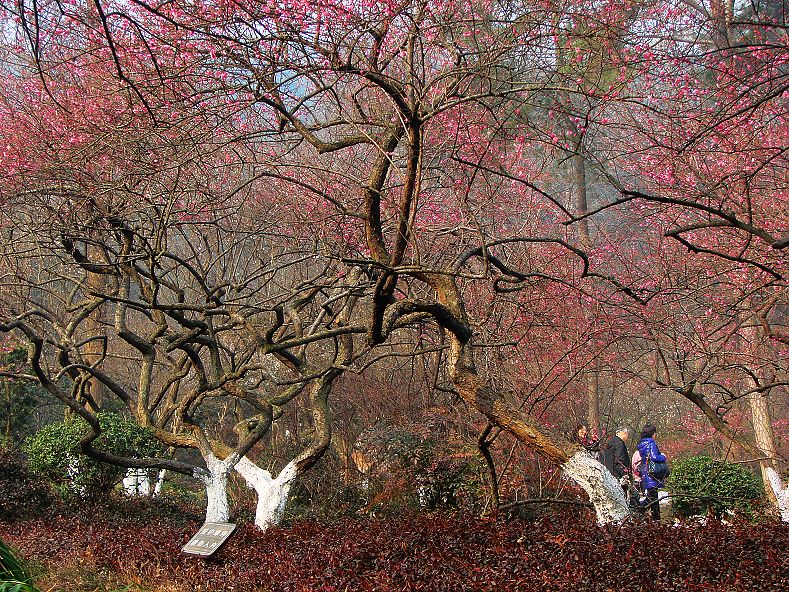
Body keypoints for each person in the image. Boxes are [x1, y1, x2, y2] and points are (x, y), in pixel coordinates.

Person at [636, 423, 667, 520]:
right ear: (652, 433)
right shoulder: (651, 443)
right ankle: (651, 516)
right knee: (653, 497)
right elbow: (654, 457)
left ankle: (645, 512)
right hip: (652, 473)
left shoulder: (641, 444)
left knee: (652, 495)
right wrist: (663, 456)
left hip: (646, 471)